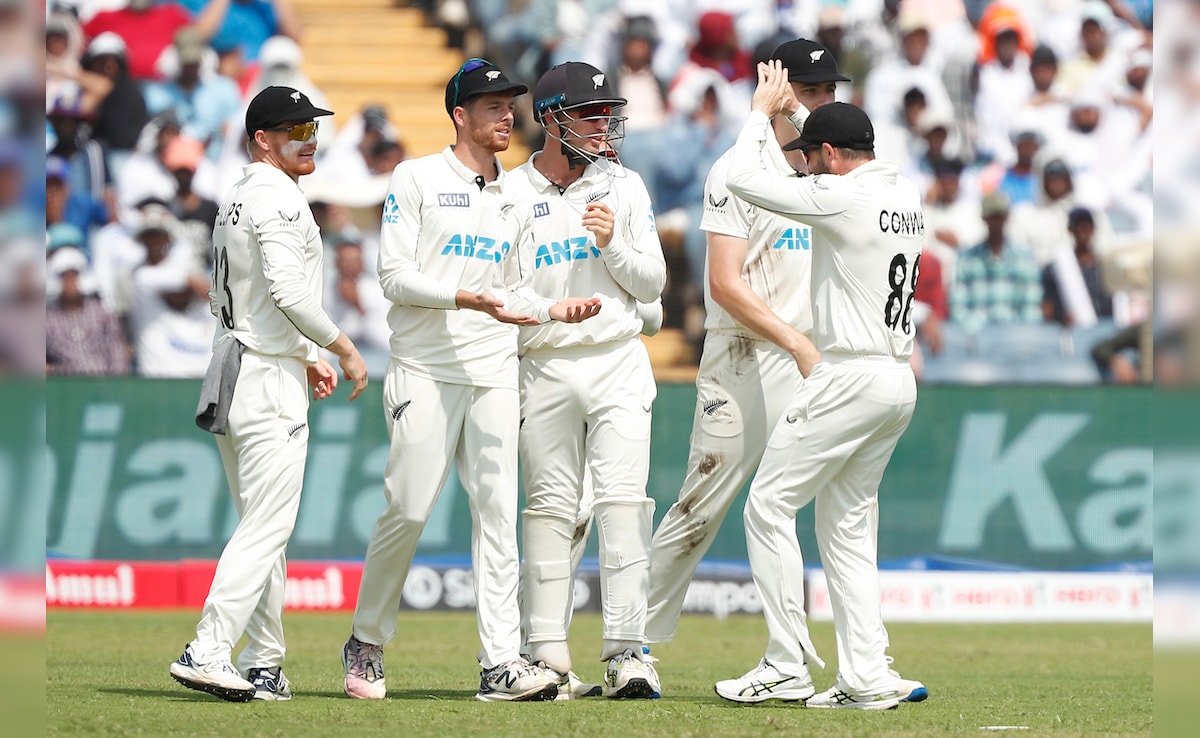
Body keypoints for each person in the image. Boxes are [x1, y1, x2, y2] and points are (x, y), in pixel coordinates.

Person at [341, 58, 599, 703]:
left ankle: (500, 662)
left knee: (497, 516)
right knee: (408, 508)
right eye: (491, 106)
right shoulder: (417, 177)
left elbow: (514, 292)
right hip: (425, 368)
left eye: (510, 105)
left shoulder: (516, 192)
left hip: (493, 368)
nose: (506, 115)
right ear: (460, 114)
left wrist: (549, 308)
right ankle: (367, 639)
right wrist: (469, 297)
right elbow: (395, 278)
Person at [718, 62, 928, 710]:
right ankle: (866, 675)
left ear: (833, 155)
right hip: (896, 377)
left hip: (848, 373)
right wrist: (801, 116)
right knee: (845, 526)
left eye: (814, 158)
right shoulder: (903, 193)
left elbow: (742, 181)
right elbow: (837, 142)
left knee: (769, 506)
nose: (807, 168)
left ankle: (785, 662)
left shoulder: (841, 195)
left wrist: (761, 112)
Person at [642, 38, 842, 690]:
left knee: (801, 507)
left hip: (810, 357)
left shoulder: (833, 172)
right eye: (807, 93)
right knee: (699, 508)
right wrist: (796, 341)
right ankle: (632, 644)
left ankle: (805, 660)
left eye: (826, 93)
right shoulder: (736, 168)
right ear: (775, 90)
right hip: (745, 356)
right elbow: (724, 286)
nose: (820, 107)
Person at [169, 85, 369, 702]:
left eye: (313, 130)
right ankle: (208, 647)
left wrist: (305, 353)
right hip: (264, 375)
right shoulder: (280, 199)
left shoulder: (236, 195)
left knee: (263, 525)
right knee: (267, 526)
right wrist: (342, 347)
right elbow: (287, 290)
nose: (309, 141)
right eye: (295, 131)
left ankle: (264, 663)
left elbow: (238, 293)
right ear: (262, 138)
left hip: (234, 364)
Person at [507, 61, 666, 700]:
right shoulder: (511, 193)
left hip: (616, 358)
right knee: (549, 510)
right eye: (589, 114)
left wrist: (614, 248)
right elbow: (505, 290)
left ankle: (629, 653)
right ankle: (545, 655)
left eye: (608, 114)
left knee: (623, 505)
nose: (604, 126)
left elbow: (652, 283)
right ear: (551, 120)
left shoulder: (624, 187)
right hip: (543, 362)